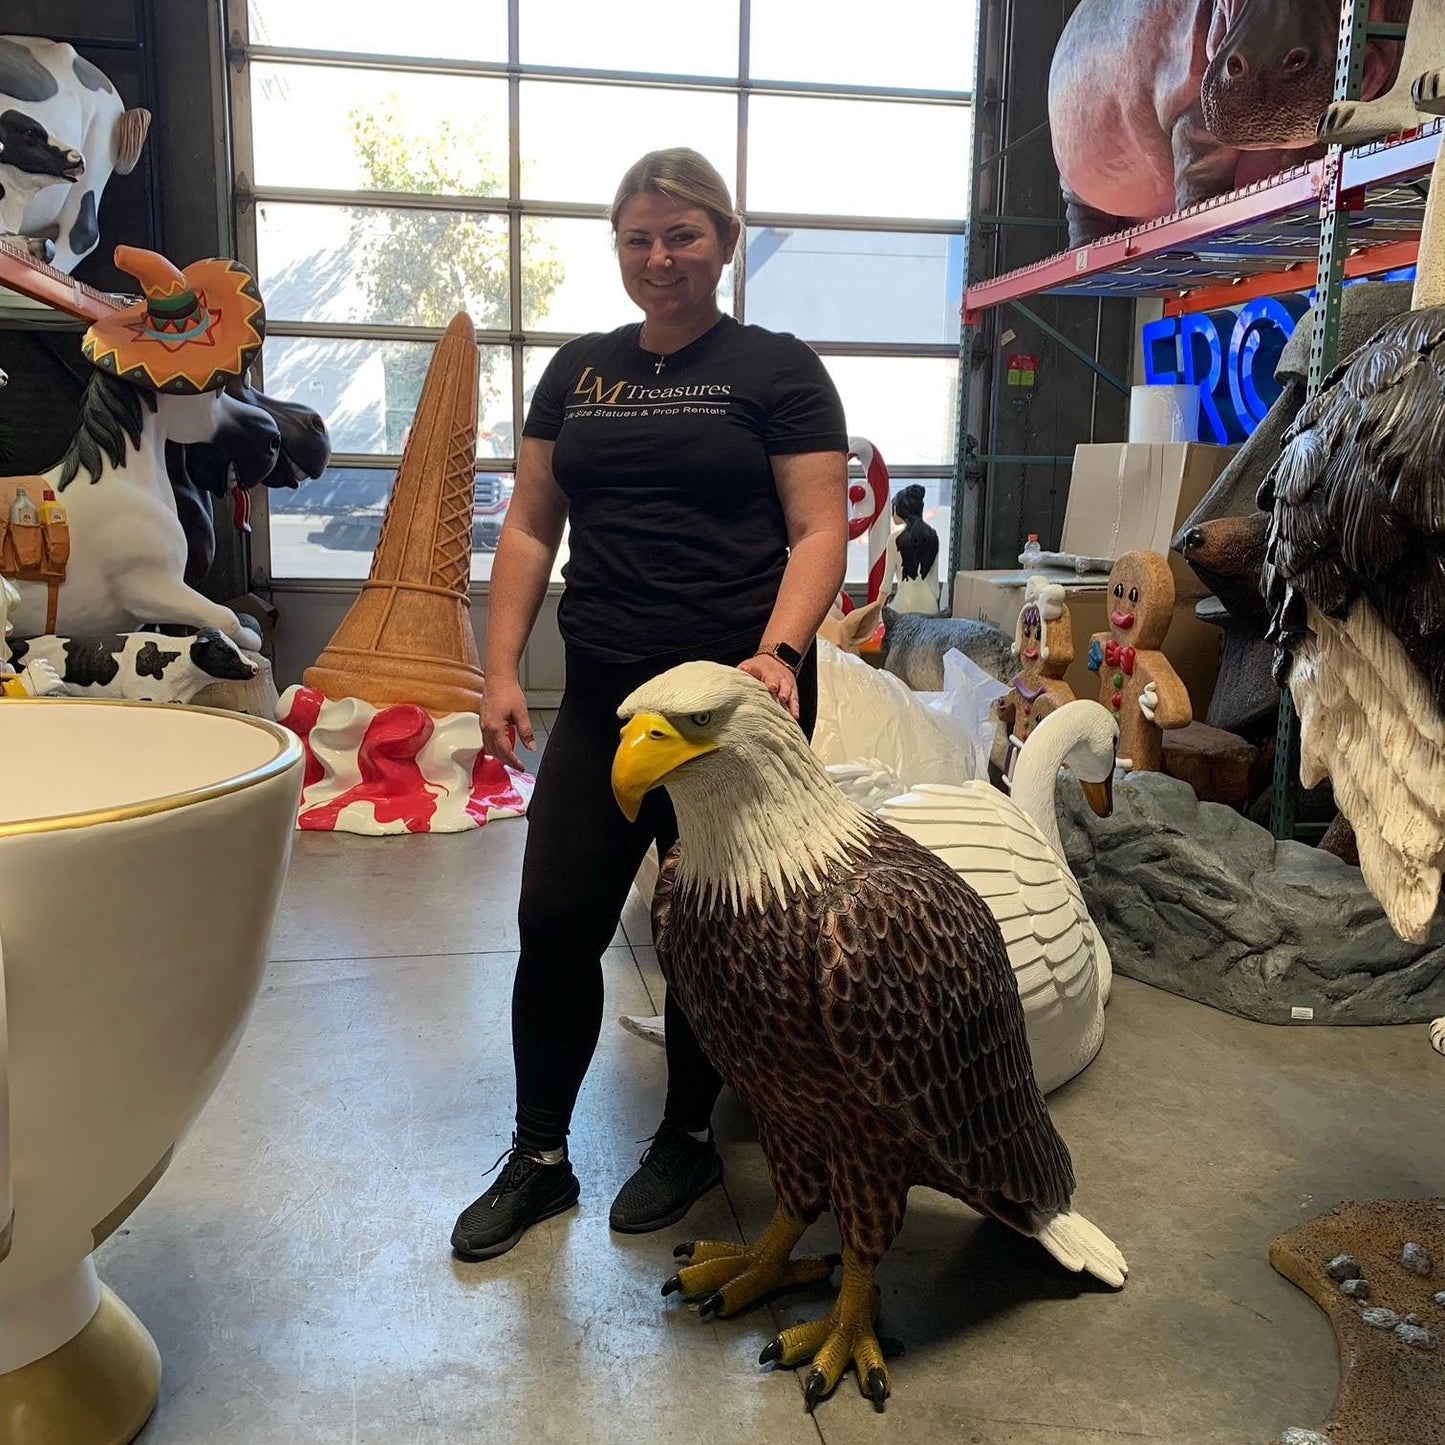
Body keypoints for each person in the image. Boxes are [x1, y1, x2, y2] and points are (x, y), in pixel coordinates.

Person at [450, 148, 849, 1261]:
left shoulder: (776, 368)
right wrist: (496, 670)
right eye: (637, 236)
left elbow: (818, 527)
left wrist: (778, 650)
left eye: (680, 235)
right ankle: (538, 1155)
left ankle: (683, 1134)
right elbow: (530, 523)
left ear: (722, 240)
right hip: (604, 697)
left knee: (709, 935)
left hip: (731, 707)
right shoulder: (577, 370)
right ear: (617, 246)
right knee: (553, 919)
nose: (658, 257)